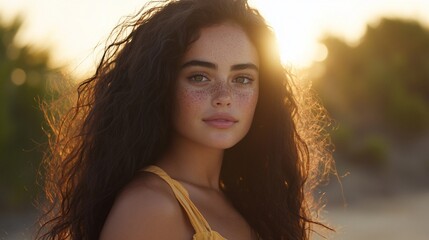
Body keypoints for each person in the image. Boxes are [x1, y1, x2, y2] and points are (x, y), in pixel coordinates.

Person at [37, 0, 333, 239]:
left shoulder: (245, 200)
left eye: (242, 79)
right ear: (161, 86)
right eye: (199, 77)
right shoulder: (151, 207)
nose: (223, 96)